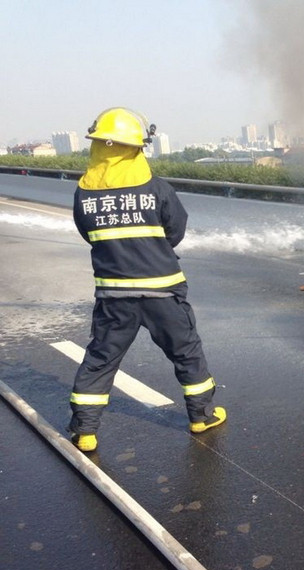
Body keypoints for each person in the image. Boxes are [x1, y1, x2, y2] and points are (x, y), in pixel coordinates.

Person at [68, 107, 226, 452]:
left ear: (98, 146)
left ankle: (85, 431)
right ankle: (201, 416)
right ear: (137, 148)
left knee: (100, 359)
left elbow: (88, 234)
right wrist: (151, 249)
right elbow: (175, 230)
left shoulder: (84, 194)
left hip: (113, 297)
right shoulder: (157, 189)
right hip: (162, 292)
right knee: (186, 353)